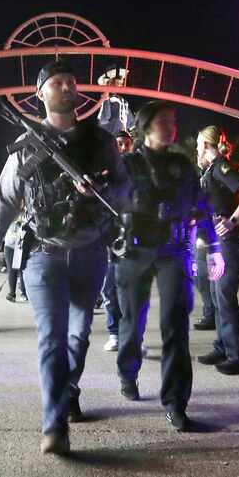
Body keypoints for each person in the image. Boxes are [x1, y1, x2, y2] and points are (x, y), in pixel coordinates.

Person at [0, 60, 130, 455]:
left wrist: (98, 189)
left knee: (78, 338)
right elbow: (6, 198)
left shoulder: (100, 142)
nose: (66, 87)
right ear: (41, 93)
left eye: (71, 82)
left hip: (90, 251)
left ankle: (68, 389)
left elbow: (125, 191)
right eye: (57, 82)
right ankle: (54, 425)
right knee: (52, 338)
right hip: (42, 254)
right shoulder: (28, 145)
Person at [115, 101, 225, 432]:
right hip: (134, 251)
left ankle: (176, 402)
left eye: (172, 120)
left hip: (174, 250)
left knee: (176, 325)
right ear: (146, 126)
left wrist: (214, 247)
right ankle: (128, 371)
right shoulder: (127, 164)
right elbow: (105, 202)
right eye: (163, 120)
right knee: (132, 322)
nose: (170, 126)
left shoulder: (181, 165)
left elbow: (202, 206)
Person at [195, 126, 239, 375]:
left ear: (207, 146)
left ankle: (238, 355)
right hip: (214, 243)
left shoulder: (221, 167)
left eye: (199, 144)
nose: (196, 149)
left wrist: (232, 220)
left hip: (228, 242)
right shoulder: (210, 171)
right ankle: (222, 347)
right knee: (216, 295)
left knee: (225, 297)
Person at [101, 130, 134, 351]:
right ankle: (114, 333)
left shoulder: (139, 172)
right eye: (118, 144)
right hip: (108, 239)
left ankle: (133, 337)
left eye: (126, 144)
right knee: (109, 288)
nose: (122, 148)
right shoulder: (104, 171)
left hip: (133, 238)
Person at [3, 207, 27, 303]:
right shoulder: (9, 210)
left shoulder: (28, 210)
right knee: (11, 269)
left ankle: (24, 292)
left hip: (22, 244)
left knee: (22, 269)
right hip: (10, 243)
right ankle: (12, 293)